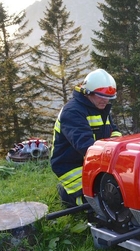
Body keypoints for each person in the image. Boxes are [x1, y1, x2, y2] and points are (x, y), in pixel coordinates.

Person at [51, 69, 122, 207]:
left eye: (109, 97)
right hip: (71, 166)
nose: (105, 100)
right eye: (101, 96)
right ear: (88, 92)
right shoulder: (72, 111)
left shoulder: (100, 107)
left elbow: (114, 131)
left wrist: (119, 152)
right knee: (95, 204)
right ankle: (67, 195)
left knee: (117, 192)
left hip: (96, 159)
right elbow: (85, 146)